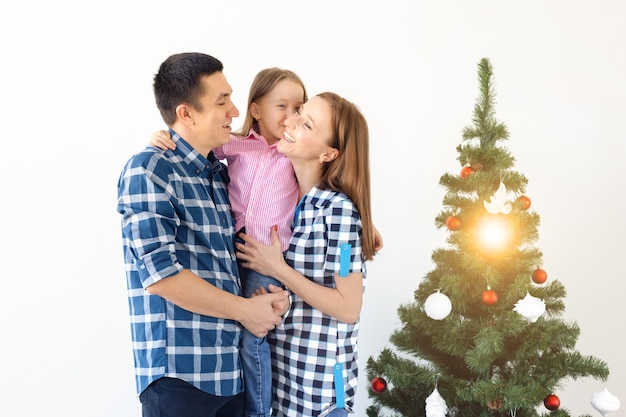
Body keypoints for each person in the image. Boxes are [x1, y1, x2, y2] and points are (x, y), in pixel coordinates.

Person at [117, 52, 288, 417]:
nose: (235, 111)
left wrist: (263, 299)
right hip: (181, 379)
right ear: (186, 113)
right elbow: (162, 278)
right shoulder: (149, 170)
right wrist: (246, 312)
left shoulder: (220, 176)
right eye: (222, 101)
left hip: (231, 377)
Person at [236, 92, 378, 416]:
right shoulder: (289, 203)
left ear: (329, 153)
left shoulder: (338, 212)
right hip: (283, 395)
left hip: (321, 400)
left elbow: (348, 307)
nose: (290, 121)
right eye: (299, 112)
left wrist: (280, 269)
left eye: (306, 123)